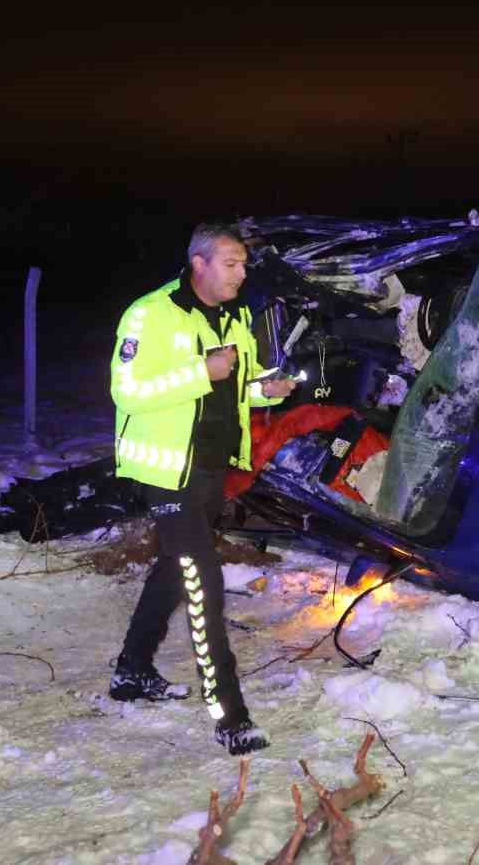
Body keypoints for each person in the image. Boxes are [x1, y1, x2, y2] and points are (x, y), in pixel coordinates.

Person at [107, 223, 296, 755]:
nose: (242, 273)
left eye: (243, 265)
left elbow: (243, 385)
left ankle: (132, 670)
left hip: (213, 466)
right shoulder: (150, 314)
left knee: (174, 568)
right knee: (203, 582)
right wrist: (199, 371)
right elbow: (126, 392)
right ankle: (230, 716)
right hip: (167, 470)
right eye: (232, 263)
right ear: (199, 263)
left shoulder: (237, 315)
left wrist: (268, 390)